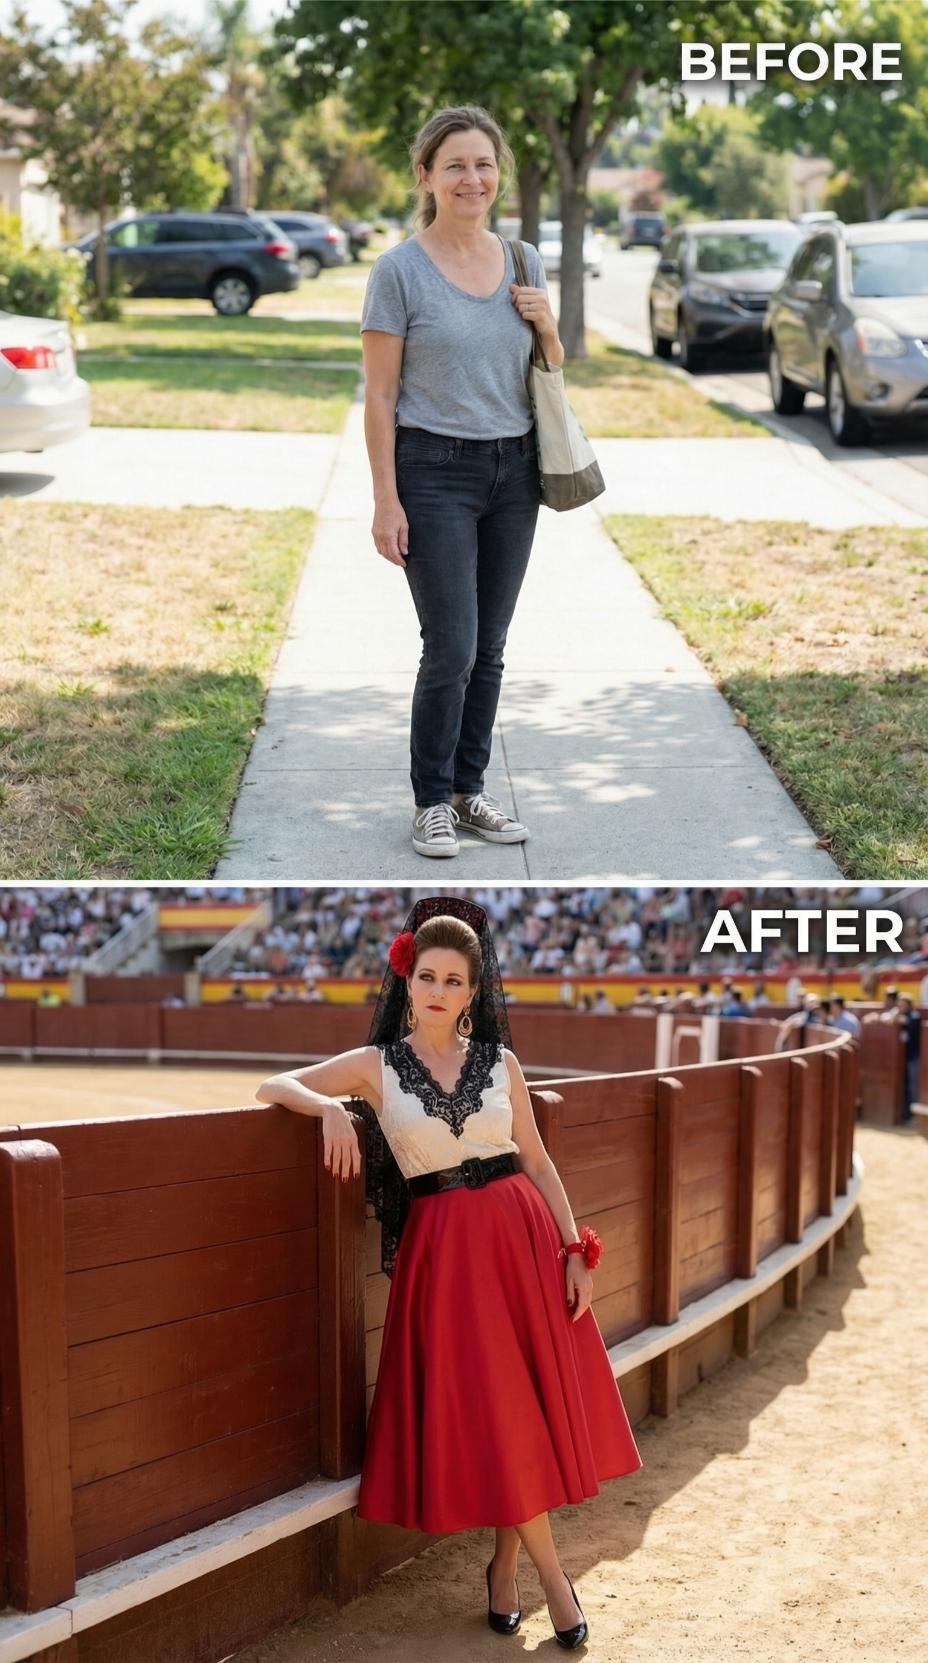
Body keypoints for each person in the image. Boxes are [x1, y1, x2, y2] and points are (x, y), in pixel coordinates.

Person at [255, 897, 642, 1649]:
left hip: (521, 1241)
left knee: (516, 1411)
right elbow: (275, 1084)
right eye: (426, 976)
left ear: (472, 992)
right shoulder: (374, 1066)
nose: (437, 990)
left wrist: (575, 1251)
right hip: (446, 1255)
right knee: (499, 1409)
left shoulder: (501, 1063)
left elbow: (537, 1161)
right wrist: (328, 1111)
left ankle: (507, 1567)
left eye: (453, 980)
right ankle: (553, 1579)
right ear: (407, 980)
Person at [360, 105, 564, 860]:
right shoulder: (399, 271)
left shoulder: (524, 260)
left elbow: (549, 366)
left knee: (491, 646)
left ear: (497, 174)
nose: (471, 178)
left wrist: (548, 326)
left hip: (515, 472)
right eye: (455, 166)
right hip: (433, 471)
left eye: (483, 164)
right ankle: (430, 802)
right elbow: (380, 394)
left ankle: (468, 791)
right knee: (452, 645)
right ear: (426, 176)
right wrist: (385, 499)